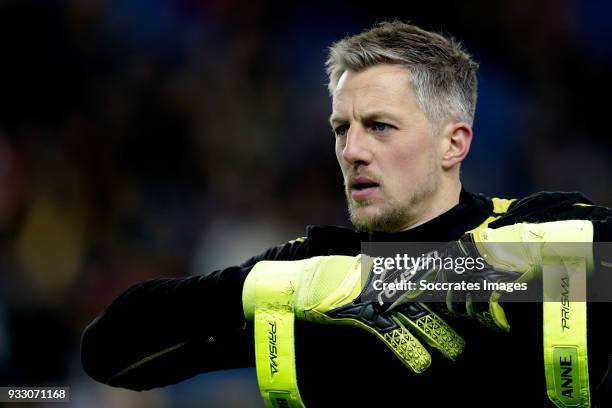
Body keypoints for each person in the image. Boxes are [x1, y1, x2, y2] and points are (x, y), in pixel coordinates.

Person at [81, 21, 612, 407]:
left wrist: (389, 281)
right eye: (341, 128)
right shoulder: (310, 271)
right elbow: (109, 353)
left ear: (453, 143)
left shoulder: (538, 223)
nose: (351, 150)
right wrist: (260, 288)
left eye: (380, 126)